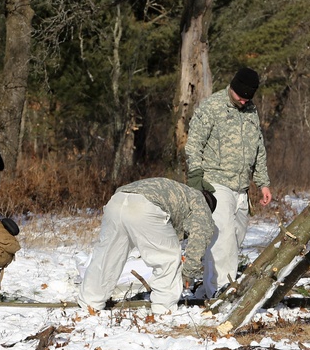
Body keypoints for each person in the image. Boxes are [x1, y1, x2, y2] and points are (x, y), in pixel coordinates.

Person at [184, 67, 272, 298]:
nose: (243, 101)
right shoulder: (211, 107)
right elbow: (193, 145)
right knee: (223, 239)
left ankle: (207, 287)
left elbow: (258, 148)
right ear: (232, 87)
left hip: (241, 187)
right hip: (215, 182)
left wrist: (263, 183)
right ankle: (222, 292)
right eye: (240, 96)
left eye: (248, 97)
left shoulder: (251, 110)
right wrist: (196, 179)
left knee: (236, 237)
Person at [78, 178, 216, 314]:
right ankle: (164, 308)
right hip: (144, 206)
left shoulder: (180, 191)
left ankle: (90, 303)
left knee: (107, 257)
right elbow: (199, 238)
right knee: (167, 258)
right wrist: (188, 273)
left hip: (116, 201)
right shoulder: (201, 203)